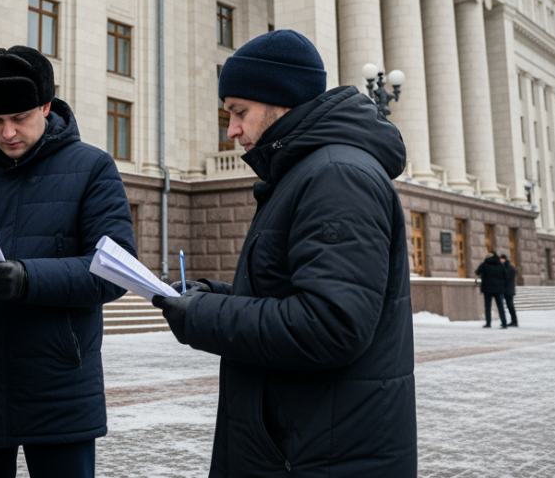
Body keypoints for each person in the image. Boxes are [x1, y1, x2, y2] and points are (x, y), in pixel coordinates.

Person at [151, 30, 416, 477]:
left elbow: (331, 325)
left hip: (319, 455)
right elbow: (292, 292)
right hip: (300, 444)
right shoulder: (307, 172)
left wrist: (202, 316)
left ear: (283, 100)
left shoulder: (336, 176)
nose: (231, 129)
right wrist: (213, 295)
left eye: (239, 112)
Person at [0, 46, 136, 478]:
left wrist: (27, 278)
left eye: (19, 118)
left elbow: (115, 270)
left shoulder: (92, 167)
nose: (7, 133)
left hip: (59, 387)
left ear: (46, 105)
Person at [476, 251, 509, 329]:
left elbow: (478, 272)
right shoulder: (500, 265)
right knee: (500, 306)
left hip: (487, 288)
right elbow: (506, 276)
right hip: (499, 289)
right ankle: (504, 323)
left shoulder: (485, 264)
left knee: (488, 306)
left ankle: (488, 323)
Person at [499, 254, 519, 327]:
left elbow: (507, 278)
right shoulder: (510, 267)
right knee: (509, 305)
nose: (500, 261)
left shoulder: (508, 267)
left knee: (510, 305)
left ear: (504, 259)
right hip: (508, 289)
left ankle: (514, 321)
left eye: (501, 259)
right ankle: (513, 321)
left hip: (508, 289)